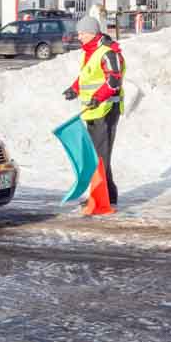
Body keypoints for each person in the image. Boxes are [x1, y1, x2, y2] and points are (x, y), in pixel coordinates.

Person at [63, 15, 125, 205]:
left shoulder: (107, 53)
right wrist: (75, 88)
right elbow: (88, 76)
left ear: (91, 33)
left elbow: (113, 80)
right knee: (99, 154)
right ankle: (108, 195)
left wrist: (98, 98)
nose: (79, 36)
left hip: (105, 110)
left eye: (81, 33)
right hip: (93, 110)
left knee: (98, 156)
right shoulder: (91, 52)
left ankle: (100, 198)